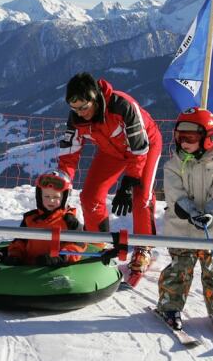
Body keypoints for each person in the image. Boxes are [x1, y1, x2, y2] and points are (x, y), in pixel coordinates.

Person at [58, 72, 163, 277]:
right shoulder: (76, 120)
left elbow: (140, 148)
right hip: (111, 153)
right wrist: (62, 179)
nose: (80, 113)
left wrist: (129, 182)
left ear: (94, 98)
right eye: (74, 109)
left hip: (145, 147)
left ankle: (144, 248)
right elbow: (69, 153)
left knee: (140, 195)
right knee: (89, 196)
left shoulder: (122, 106)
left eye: (84, 107)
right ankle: (97, 244)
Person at [157, 107, 213, 337]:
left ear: (208, 138)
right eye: (181, 137)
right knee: (179, 270)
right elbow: (174, 193)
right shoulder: (173, 165)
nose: (184, 143)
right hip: (181, 229)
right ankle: (170, 307)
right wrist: (190, 211)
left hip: (212, 231)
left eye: (190, 138)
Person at [3, 170, 87, 266]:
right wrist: (15, 255)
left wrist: (61, 257)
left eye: (56, 197)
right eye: (46, 196)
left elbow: (78, 245)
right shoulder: (30, 219)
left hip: (54, 269)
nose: (51, 200)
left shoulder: (69, 221)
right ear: (39, 196)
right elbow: (20, 241)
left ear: (64, 198)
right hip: (28, 268)